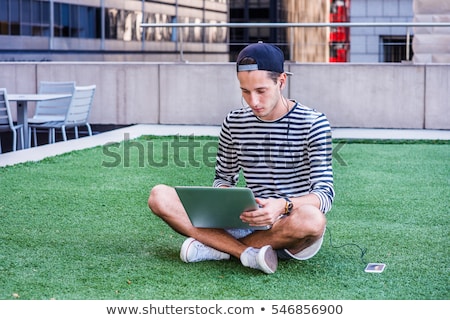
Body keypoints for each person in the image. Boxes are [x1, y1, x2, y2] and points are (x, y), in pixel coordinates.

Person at [148, 42, 334, 274]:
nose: (253, 101)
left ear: (281, 81)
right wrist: (225, 196)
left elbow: (324, 194)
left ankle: (215, 247)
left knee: (312, 220)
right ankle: (245, 253)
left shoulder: (313, 123)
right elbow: (223, 177)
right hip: (244, 219)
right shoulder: (234, 121)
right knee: (159, 196)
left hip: (287, 224)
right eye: (245, 91)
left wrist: (282, 205)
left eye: (261, 91)